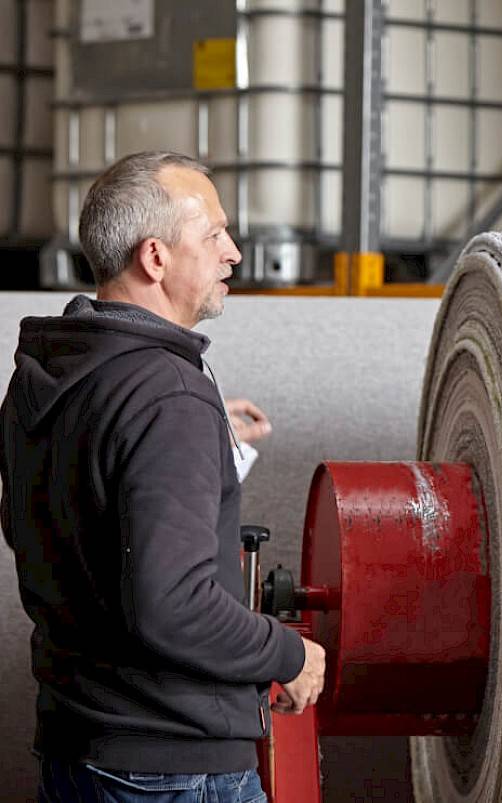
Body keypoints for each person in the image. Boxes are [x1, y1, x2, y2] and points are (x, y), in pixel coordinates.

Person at [0, 151, 325, 802]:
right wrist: (287, 653)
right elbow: (172, 605)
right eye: (213, 236)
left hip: (77, 750)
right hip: (173, 766)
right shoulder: (168, 397)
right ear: (155, 257)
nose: (232, 253)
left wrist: (199, 435)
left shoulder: (52, 375)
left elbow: (46, 523)